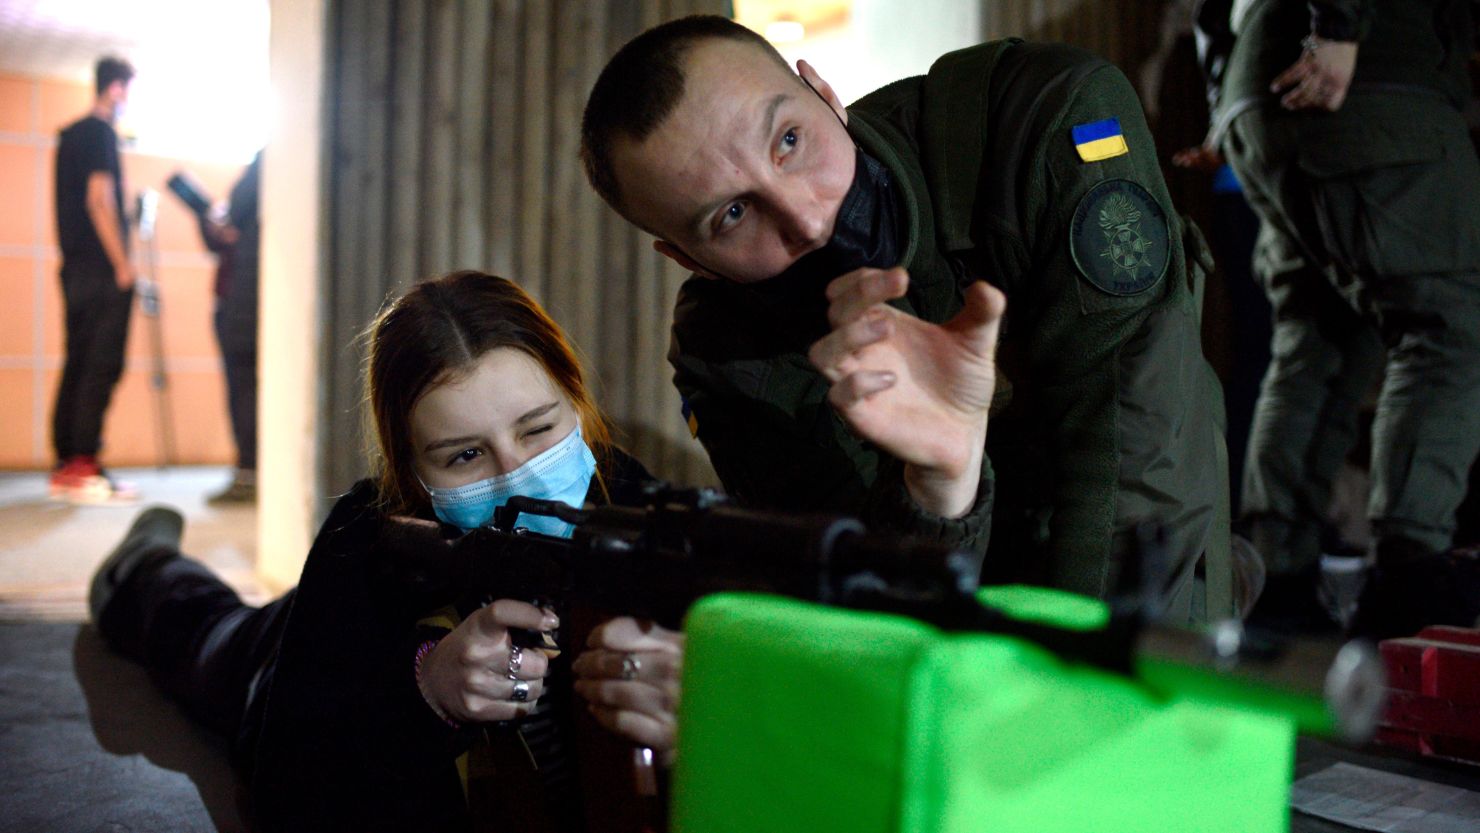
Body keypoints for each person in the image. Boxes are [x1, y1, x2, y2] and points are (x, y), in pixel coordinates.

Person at [580, 16, 1235, 622]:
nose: (806, 218)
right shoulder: (724, 354)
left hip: (1137, 590)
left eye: (789, 140)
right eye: (731, 216)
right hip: (949, 660)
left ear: (824, 93)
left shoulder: (1038, 114)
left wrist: (1065, 690)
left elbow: (1138, 440)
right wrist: (936, 489)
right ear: (685, 258)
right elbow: (850, 591)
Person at [89, 271, 684, 832]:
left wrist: (700, 710)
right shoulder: (369, 538)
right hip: (274, 660)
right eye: (463, 456)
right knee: (199, 630)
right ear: (410, 471)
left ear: (576, 402)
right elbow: (285, 796)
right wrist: (427, 689)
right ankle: (143, 561)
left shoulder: (636, 509)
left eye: (537, 430)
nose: (516, 475)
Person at [1192, 0, 1480, 634]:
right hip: (1365, 77)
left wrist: (1223, 96)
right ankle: (1413, 577)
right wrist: (1338, 27)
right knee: (1449, 329)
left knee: (1318, 342)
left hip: (1261, 102)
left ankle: (1275, 579)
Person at [49, 56, 139, 504]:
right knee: (101, 364)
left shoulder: (70, 136)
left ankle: (69, 462)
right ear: (116, 89)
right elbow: (99, 200)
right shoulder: (100, 132)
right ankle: (83, 464)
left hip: (74, 269)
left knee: (79, 361)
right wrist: (123, 265)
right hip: (102, 272)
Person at [189, 153, 261, 504]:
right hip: (249, 295)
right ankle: (253, 472)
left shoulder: (269, 161)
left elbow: (231, 224)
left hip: (245, 300)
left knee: (244, 386)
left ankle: (250, 474)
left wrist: (215, 218)